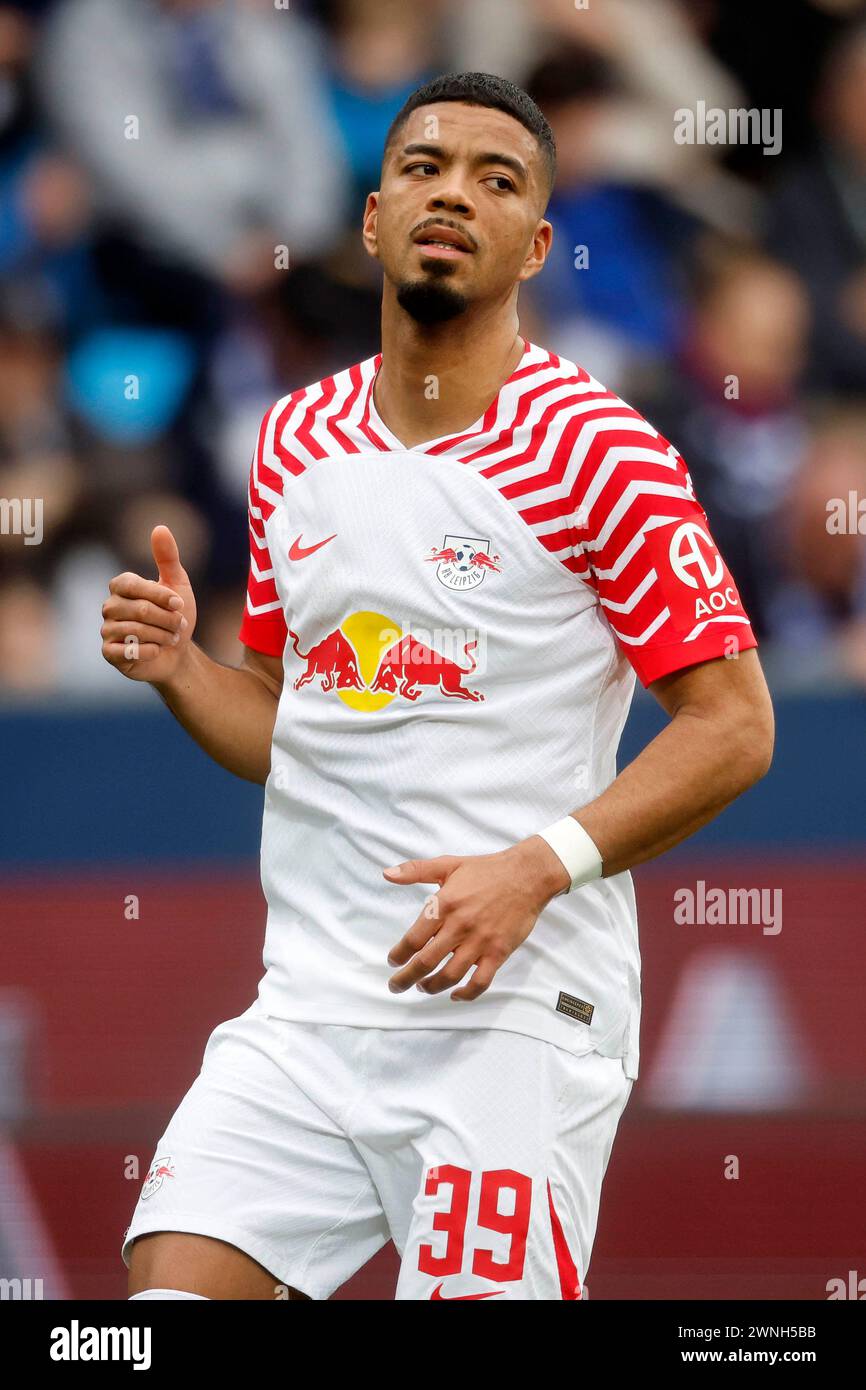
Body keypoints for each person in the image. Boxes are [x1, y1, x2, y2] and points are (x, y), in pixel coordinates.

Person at [101, 72, 774, 1301]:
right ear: (372, 219)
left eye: (496, 178)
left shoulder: (599, 449)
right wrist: (181, 670)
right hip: (305, 1014)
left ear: (535, 245)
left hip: (510, 1022)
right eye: (423, 167)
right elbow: (284, 727)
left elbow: (732, 727)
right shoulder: (291, 443)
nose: (452, 192)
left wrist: (535, 867)